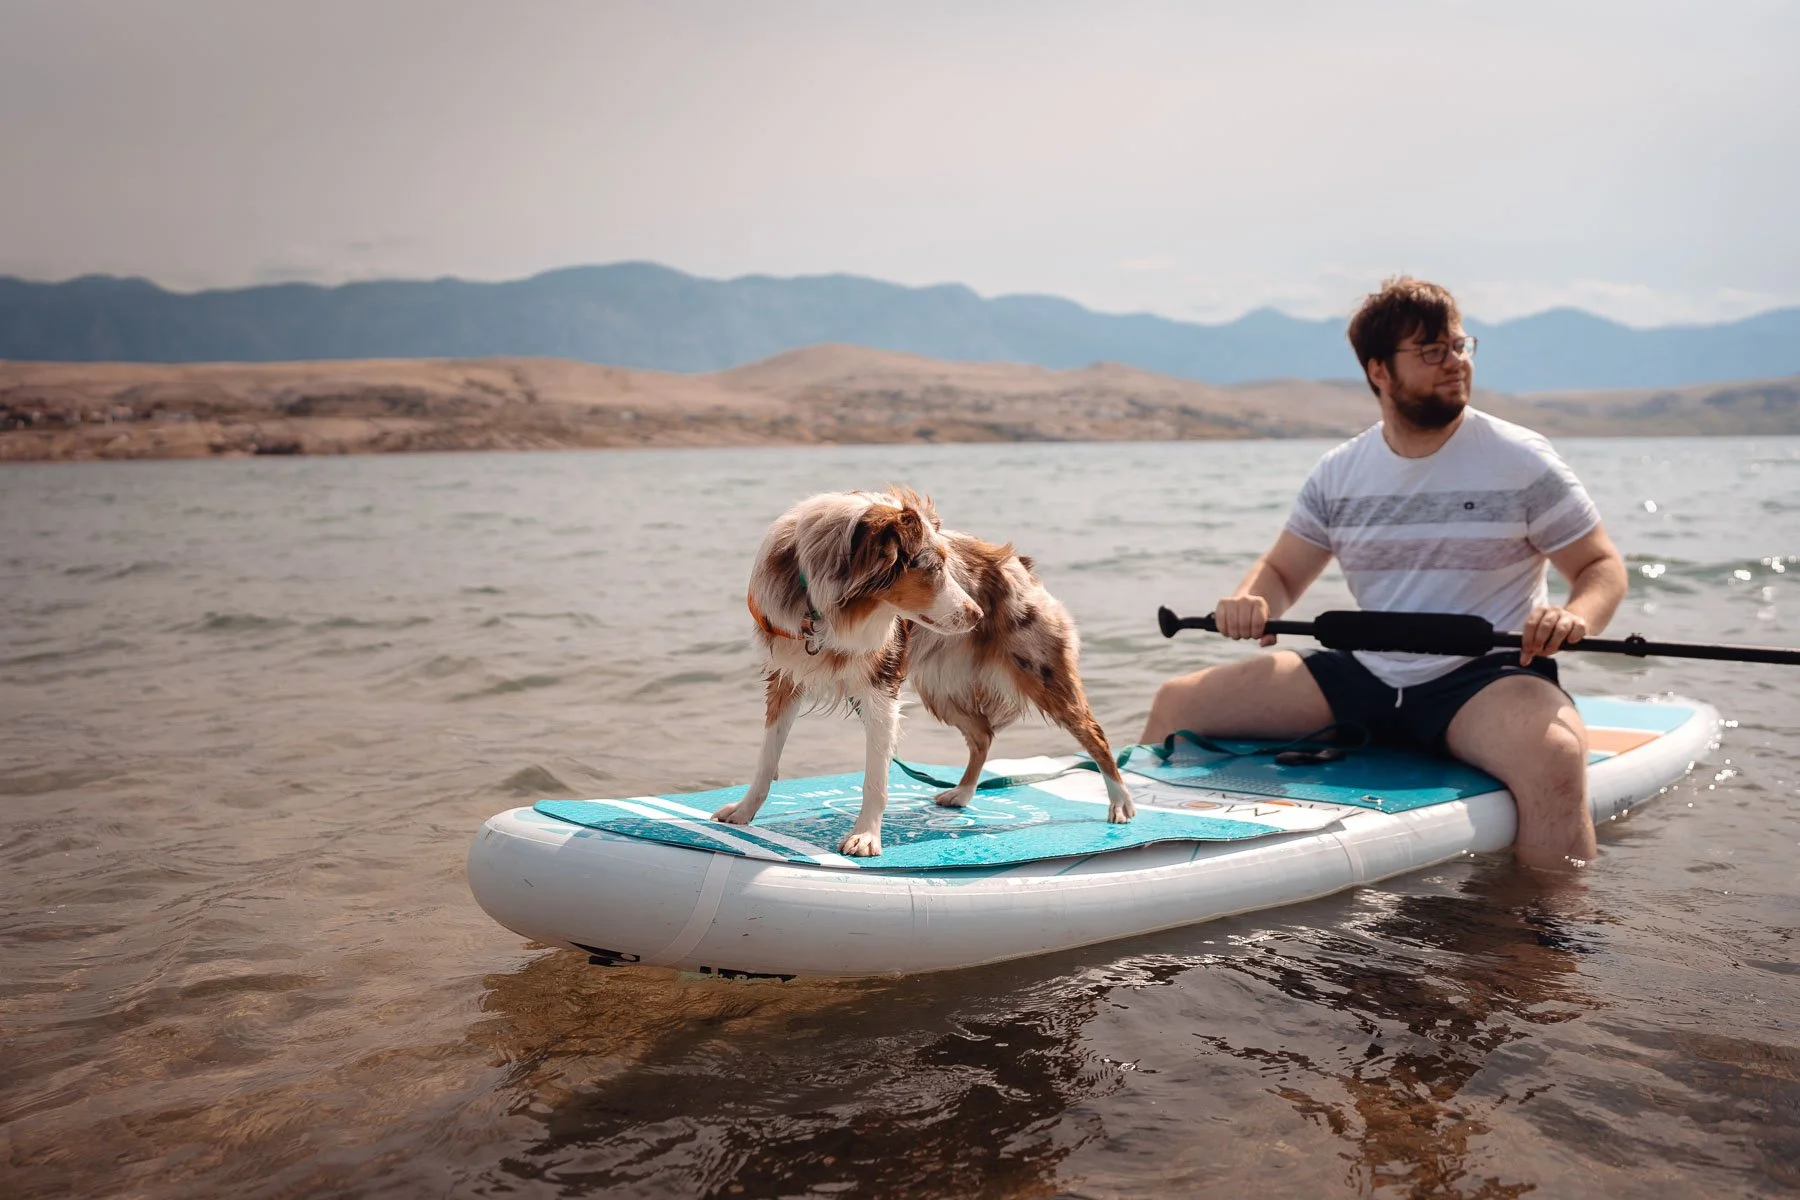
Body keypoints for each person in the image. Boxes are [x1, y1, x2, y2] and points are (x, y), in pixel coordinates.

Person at [1143, 276, 1628, 871]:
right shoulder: (1340, 472)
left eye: (1459, 346)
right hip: (1362, 673)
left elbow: (1600, 566)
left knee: (1554, 756)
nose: (1454, 363)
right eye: (1431, 352)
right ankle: (1140, 854)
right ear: (1379, 371)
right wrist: (1251, 600)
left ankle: (1545, 942)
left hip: (1482, 679)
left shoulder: (1521, 459)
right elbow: (1281, 571)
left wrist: (1574, 615)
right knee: (1178, 703)